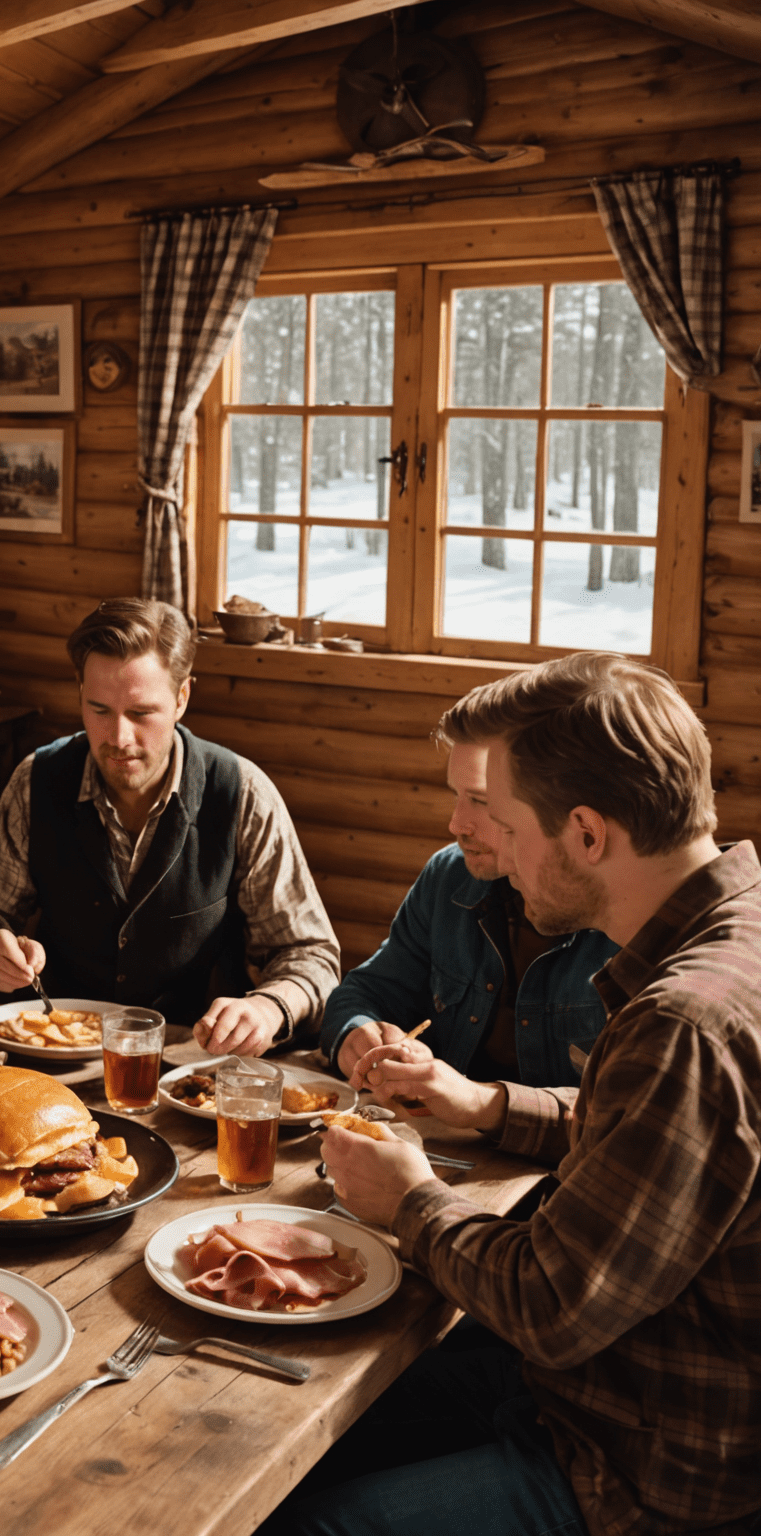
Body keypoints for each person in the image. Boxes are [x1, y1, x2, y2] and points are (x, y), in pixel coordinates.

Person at [293, 653, 761, 1536]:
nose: (495, 853)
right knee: (307, 1423)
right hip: (598, 1388)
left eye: (506, 824)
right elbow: (649, 1138)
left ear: (586, 833)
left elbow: (552, 1306)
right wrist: (491, 1107)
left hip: (644, 1465)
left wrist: (410, 1199)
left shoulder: (682, 1022)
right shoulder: (731, 929)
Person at [0, 598, 338, 1054]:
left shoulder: (241, 792)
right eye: (99, 710)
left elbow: (310, 954)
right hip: (54, 1057)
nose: (118, 739)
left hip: (192, 1067)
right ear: (80, 693)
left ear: (182, 698)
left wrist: (269, 1008)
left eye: (140, 713)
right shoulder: (38, 780)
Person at [320, 725, 619, 1093]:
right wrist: (358, 1033)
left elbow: (621, 1117)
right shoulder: (451, 874)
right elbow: (365, 992)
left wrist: (478, 1103)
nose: (456, 824)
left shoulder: (627, 913)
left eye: (481, 800)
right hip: (440, 1141)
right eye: (457, 796)